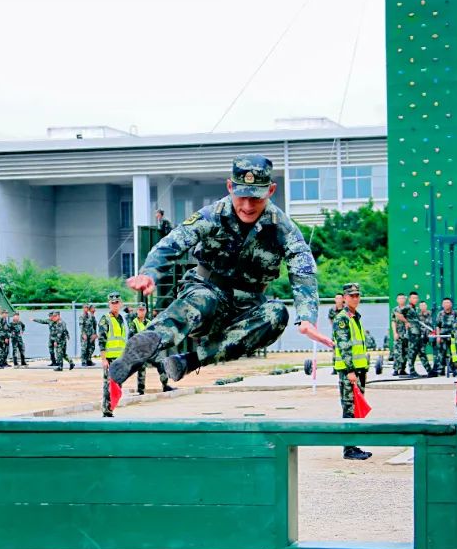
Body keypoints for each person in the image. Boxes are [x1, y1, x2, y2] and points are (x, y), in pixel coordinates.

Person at [108, 154, 330, 388]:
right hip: (206, 289)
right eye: (241, 196)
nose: (247, 206)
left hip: (246, 307)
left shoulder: (281, 226)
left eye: (255, 198)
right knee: (203, 300)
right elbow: (174, 241)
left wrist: (306, 317)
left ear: (271, 190)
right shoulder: (212, 215)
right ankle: (142, 346)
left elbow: (302, 267)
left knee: (277, 314)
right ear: (229, 187)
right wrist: (150, 272)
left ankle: (187, 362)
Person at [333, 283, 371, 460]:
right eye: (351, 296)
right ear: (344, 297)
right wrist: (350, 370)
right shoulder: (342, 318)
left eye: (357, 295)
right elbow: (344, 346)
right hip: (350, 372)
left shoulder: (356, 316)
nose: (355, 298)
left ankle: (353, 445)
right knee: (349, 409)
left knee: (356, 409)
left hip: (359, 370)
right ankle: (348, 449)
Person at [128, 303, 174, 394]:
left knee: (161, 364)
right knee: (141, 369)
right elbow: (131, 338)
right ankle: (141, 390)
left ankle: (165, 385)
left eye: (143, 310)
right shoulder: (133, 323)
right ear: (137, 311)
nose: (141, 312)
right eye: (140, 310)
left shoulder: (149, 322)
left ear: (146, 311)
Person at [98, 292, 127, 417]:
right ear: (109, 304)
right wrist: (104, 359)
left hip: (120, 358)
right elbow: (102, 340)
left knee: (118, 386)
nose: (115, 305)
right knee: (108, 385)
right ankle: (107, 411)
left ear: (121, 303)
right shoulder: (105, 319)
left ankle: (111, 408)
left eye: (117, 302)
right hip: (109, 358)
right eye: (112, 303)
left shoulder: (121, 319)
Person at [435, 297, 457, 376]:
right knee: (441, 353)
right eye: (444, 303)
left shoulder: (456, 313)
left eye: (448, 303)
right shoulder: (440, 314)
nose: (446, 305)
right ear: (442, 304)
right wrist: (438, 336)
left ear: (451, 304)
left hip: (453, 337)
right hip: (443, 336)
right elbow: (438, 326)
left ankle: (454, 369)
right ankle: (440, 370)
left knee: (454, 354)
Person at [390, 293, 409, 375]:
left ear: (405, 299)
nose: (401, 300)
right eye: (400, 298)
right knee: (397, 352)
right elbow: (393, 322)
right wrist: (395, 333)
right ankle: (396, 369)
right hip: (398, 333)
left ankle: (402, 369)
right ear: (397, 300)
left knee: (406, 352)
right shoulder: (395, 310)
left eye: (403, 298)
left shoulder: (409, 309)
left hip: (407, 334)